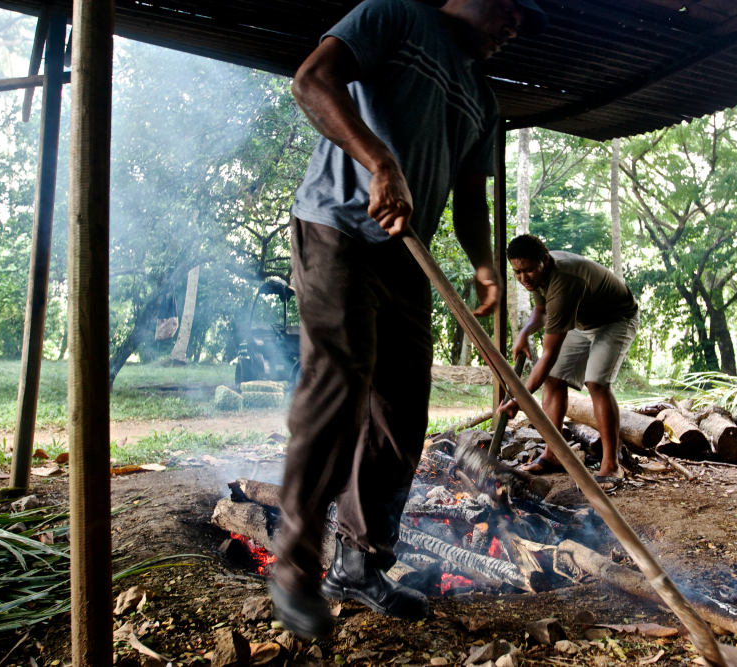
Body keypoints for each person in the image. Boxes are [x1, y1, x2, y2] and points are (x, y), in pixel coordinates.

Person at [270, 0, 548, 639]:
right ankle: (294, 560)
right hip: (336, 226)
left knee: (401, 414)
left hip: (404, 255)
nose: (514, 26)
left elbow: (471, 193)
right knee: (340, 384)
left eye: (522, 23)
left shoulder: (483, 95)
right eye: (510, 8)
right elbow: (312, 80)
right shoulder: (393, 16)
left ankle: (360, 564)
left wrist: (483, 264)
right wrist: (380, 161)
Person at [500, 235, 640, 491]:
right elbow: (541, 311)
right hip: (582, 320)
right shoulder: (540, 276)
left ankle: (611, 465)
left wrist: (519, 398)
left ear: (544, 260)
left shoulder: (564, 282)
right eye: (517, 272)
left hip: (615, 319)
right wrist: (523, 333)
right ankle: (554, 453)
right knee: (554, 378)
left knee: (596, 383)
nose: (523, 278)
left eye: (528, 270)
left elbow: (548, 354)